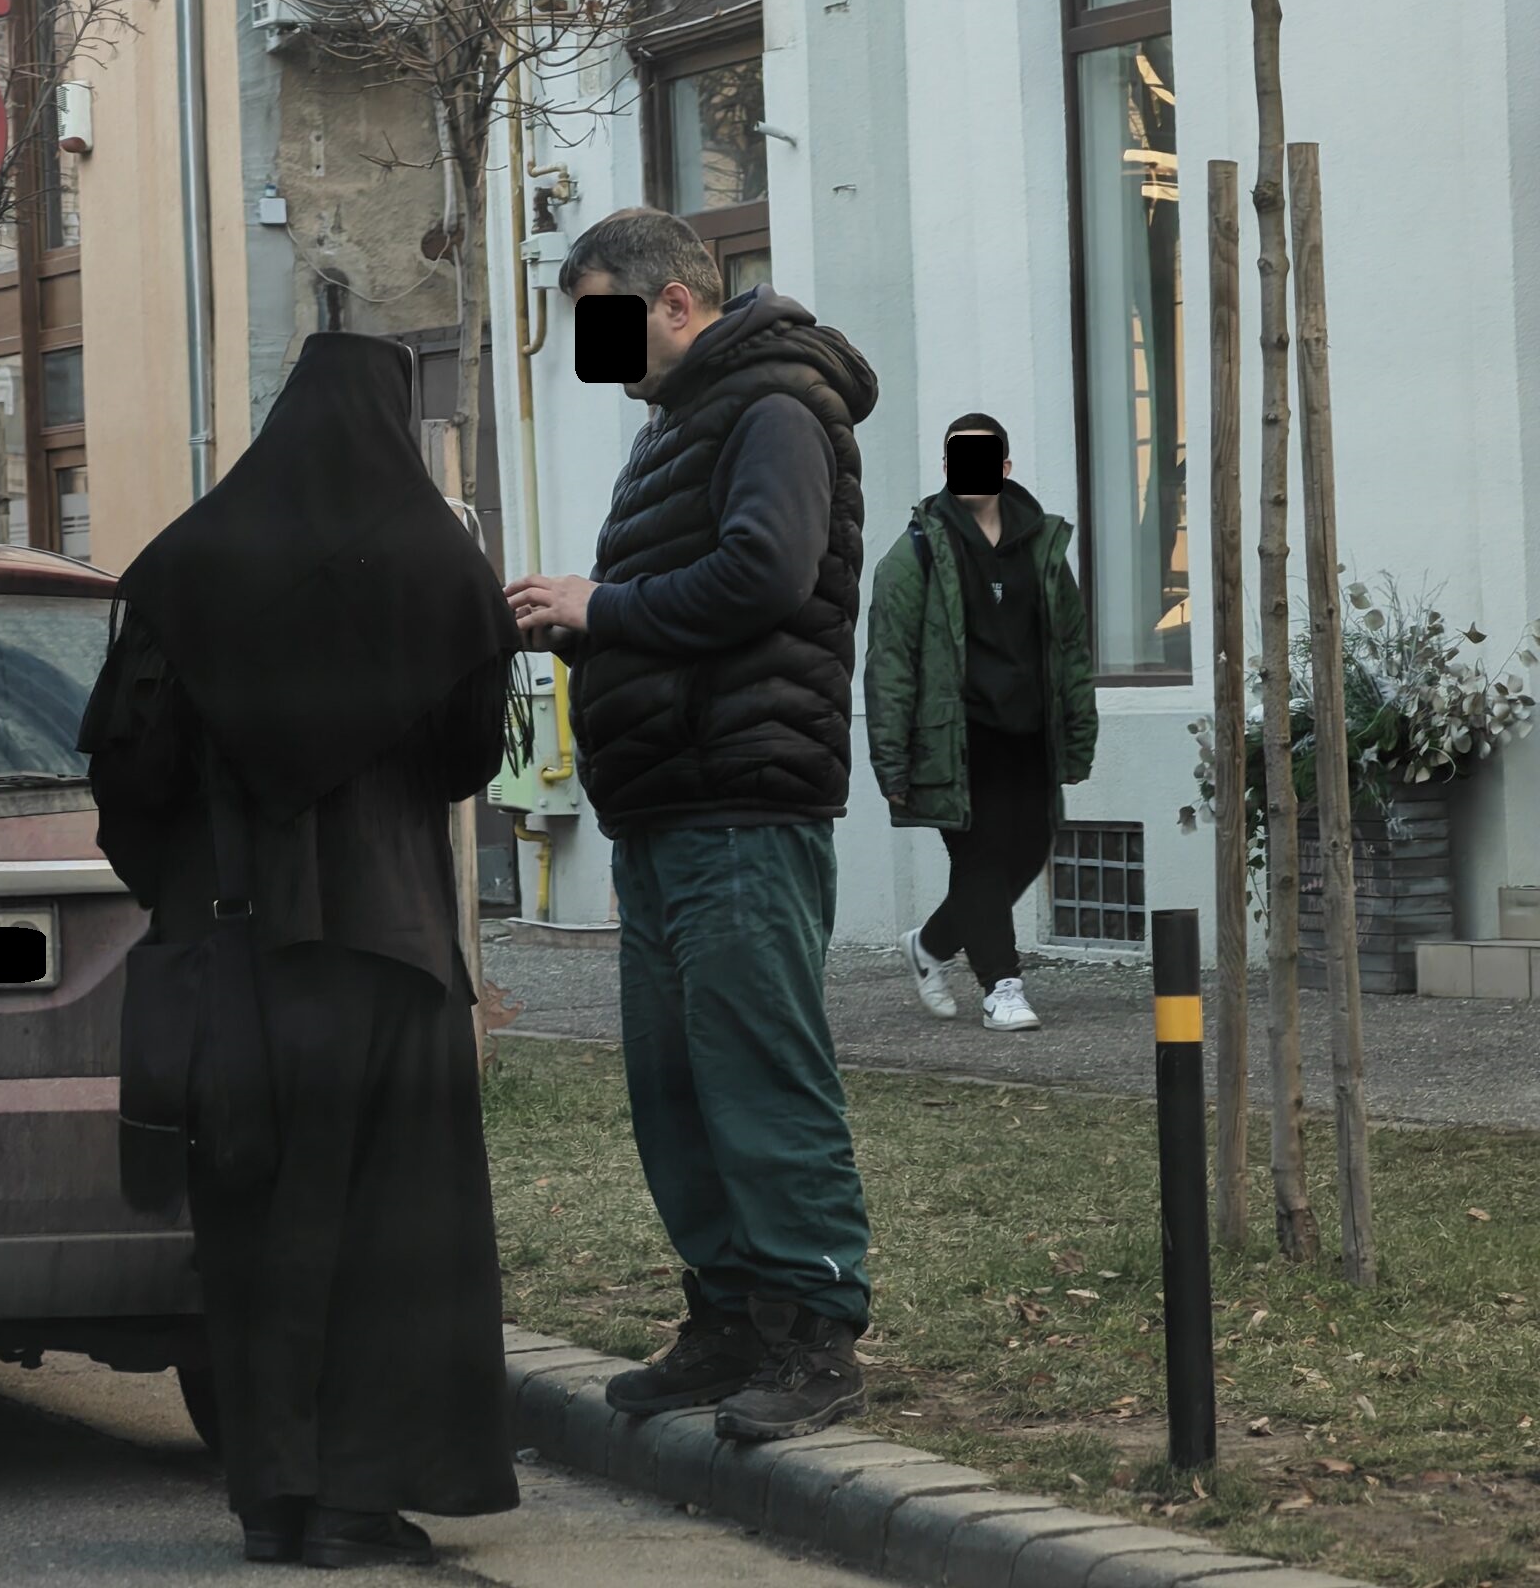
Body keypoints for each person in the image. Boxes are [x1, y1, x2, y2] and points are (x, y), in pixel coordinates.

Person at [79, 332, 524, 1570]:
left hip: (233, 955)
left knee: (252, 1226)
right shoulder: (441, 559)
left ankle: (272, 1494)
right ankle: (358, 1500)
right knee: (394, 1234)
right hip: (389, 953)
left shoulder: (190, 562)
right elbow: (468, 760)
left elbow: (129, 771)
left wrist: (184, 882)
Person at [505, 208, 877, 1442]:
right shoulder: (679, 425)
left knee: (760, 1073)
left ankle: (815, 1333)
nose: (592, 347)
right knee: (675, 1085)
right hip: (665, 804)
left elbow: (766, 574)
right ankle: (726, 1316)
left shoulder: (774, 405)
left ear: (676, 302)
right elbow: (689, 593)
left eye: (605, 316)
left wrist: (600, 605)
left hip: (741, 800)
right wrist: (585, 622)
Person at [865, 413, 1098, 1032]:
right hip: (954, 740)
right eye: (957, 458)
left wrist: (1077, 732)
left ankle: (931, 945)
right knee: (980, 860)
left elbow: (1071, 646)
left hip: (1028, 735)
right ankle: (1002, 986)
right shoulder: (916, 553)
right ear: (946, 470)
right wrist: (890, 758)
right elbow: (889, 662)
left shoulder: (1043, 548)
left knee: (1028, 850)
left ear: (1005, 467)